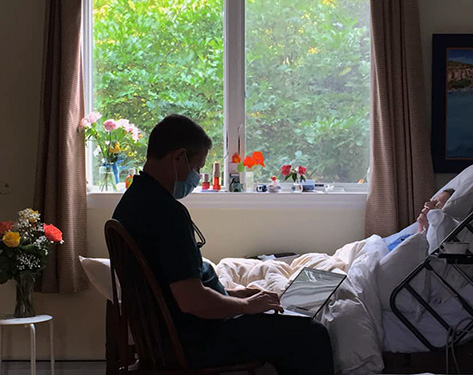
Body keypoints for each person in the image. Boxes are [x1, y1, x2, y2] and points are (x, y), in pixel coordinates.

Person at [113, 114, 334, 374]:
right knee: (311, 334)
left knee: (285, 321)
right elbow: (192, 301)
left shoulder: (131, 203)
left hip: (175, 336)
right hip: (197, 341)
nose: (196, 176)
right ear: (178, 158)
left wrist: (241, 295)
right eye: (197, 168)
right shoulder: (166, 214)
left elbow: (174, 289)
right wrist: (246, 307)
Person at [386, 188, 455, 251]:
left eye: (436, 205)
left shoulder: (413, 247)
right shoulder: (409, 238)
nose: (426, 204)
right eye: (432, 200)